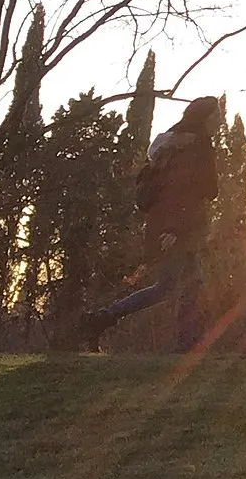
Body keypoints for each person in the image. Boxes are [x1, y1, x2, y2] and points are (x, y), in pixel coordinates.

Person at [83, 97, 223, 353]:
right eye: (217, 113)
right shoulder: (190, 149)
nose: (221, 119)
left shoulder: (186, 144)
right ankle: (102, 318)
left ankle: (189, 345)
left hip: (184, 228)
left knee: (192, 287)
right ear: (204, 117)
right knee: (167, 288)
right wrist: (173, 229)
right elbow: (176, 191)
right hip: (176, 229)